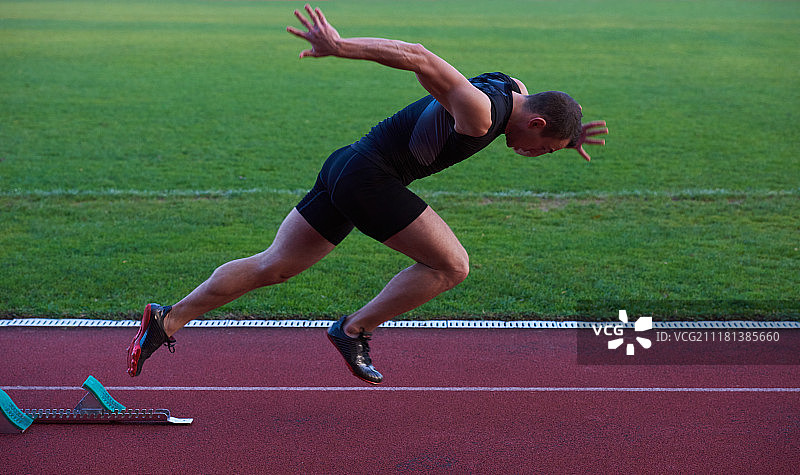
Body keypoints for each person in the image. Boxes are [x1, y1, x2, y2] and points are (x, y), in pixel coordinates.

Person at [127, 4, 608, 384]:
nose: (535, 155)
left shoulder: (513, 88)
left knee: (275, 265)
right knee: (451, 267)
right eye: (544, 148)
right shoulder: (480, 113)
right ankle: (353, 328)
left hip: (346, 164)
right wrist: (340, 47)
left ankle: (167, 320)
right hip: (371, 179)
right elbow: (419, 56)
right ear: (536, 122)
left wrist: (567, 136)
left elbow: (520, 107)